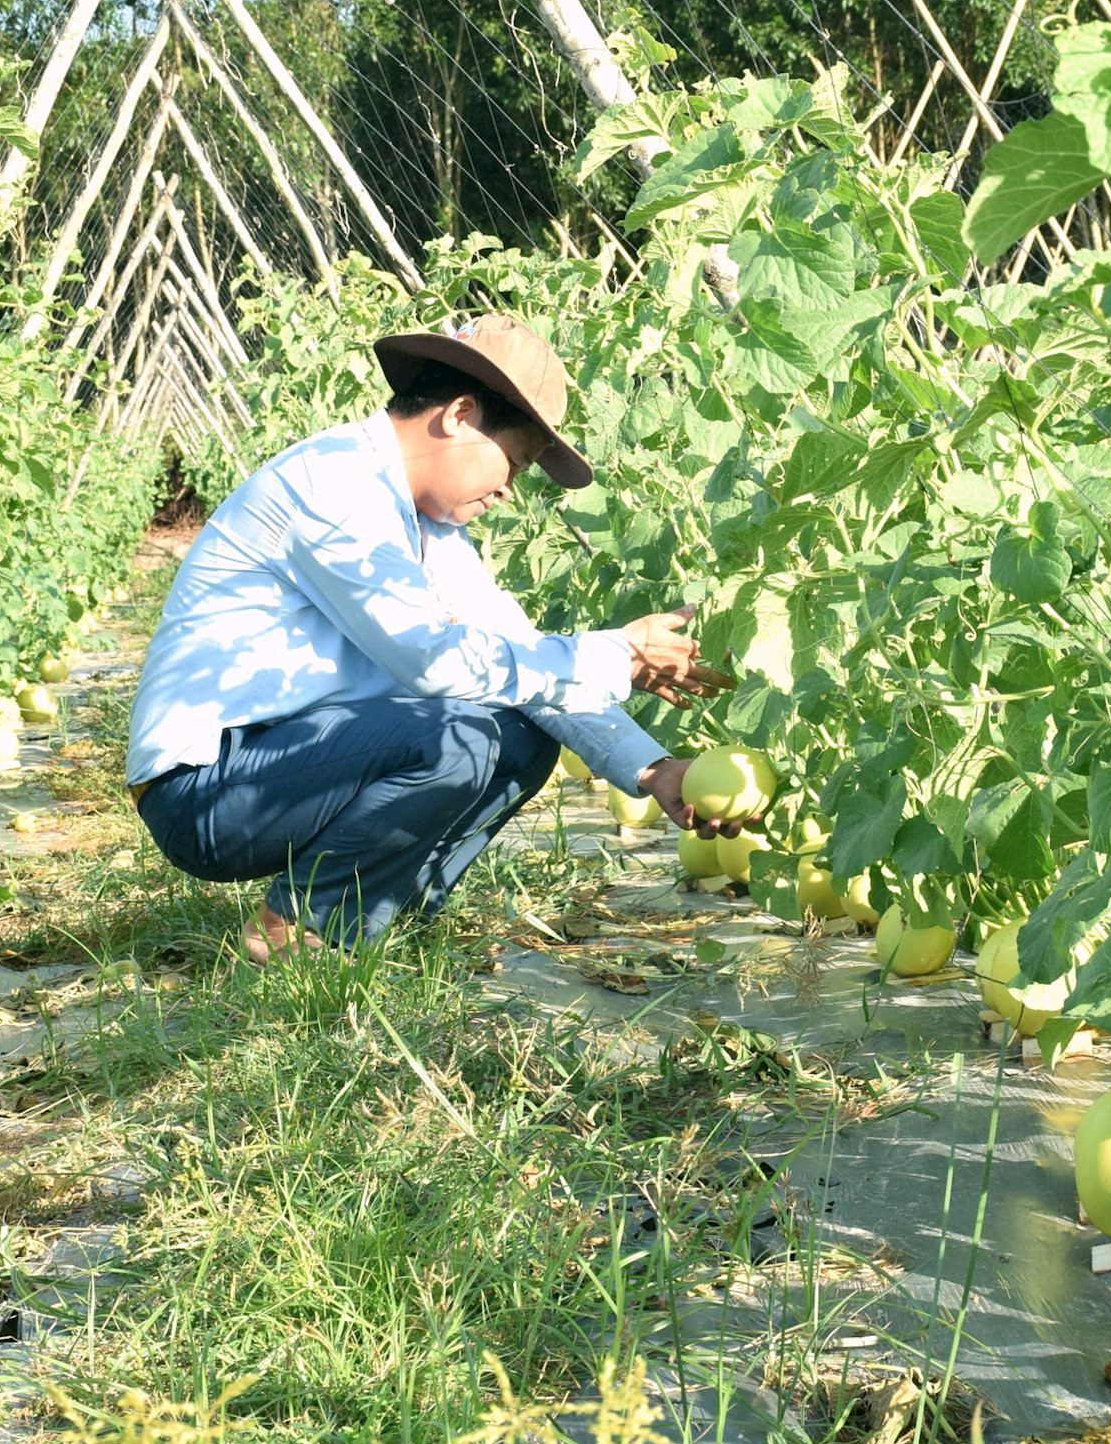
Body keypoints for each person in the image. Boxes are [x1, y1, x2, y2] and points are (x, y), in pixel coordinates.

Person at [125, 314, 745, 963]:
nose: (509, 490)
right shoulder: (337, 484)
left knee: (525, 737)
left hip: (285, 767)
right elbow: (432, 661)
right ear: (458, 416)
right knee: (459, 734)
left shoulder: (430, 531)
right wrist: (615, 653)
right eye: (515, 462)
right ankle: (295, 929)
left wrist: (652, 769)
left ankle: (385, 926)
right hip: (205, 788)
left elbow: (518, 655)